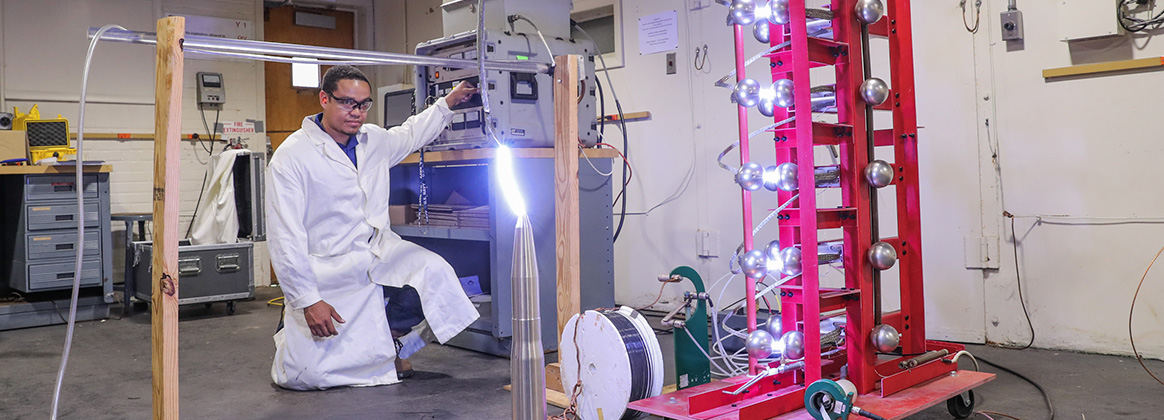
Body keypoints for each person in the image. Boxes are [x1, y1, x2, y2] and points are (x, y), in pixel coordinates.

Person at [266, 65, 480, 390]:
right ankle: (293, 325)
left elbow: (411, 133)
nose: (357, 113)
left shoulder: (373, 140)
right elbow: (285, 237)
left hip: (378, 250)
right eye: (347, 103)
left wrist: (448, 103)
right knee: (304, 377)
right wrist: (308, 300)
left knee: (436, 275)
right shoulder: (292, 156)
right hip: (327, 268)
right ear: (324, 98)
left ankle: (396, 343)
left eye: (364, 104)